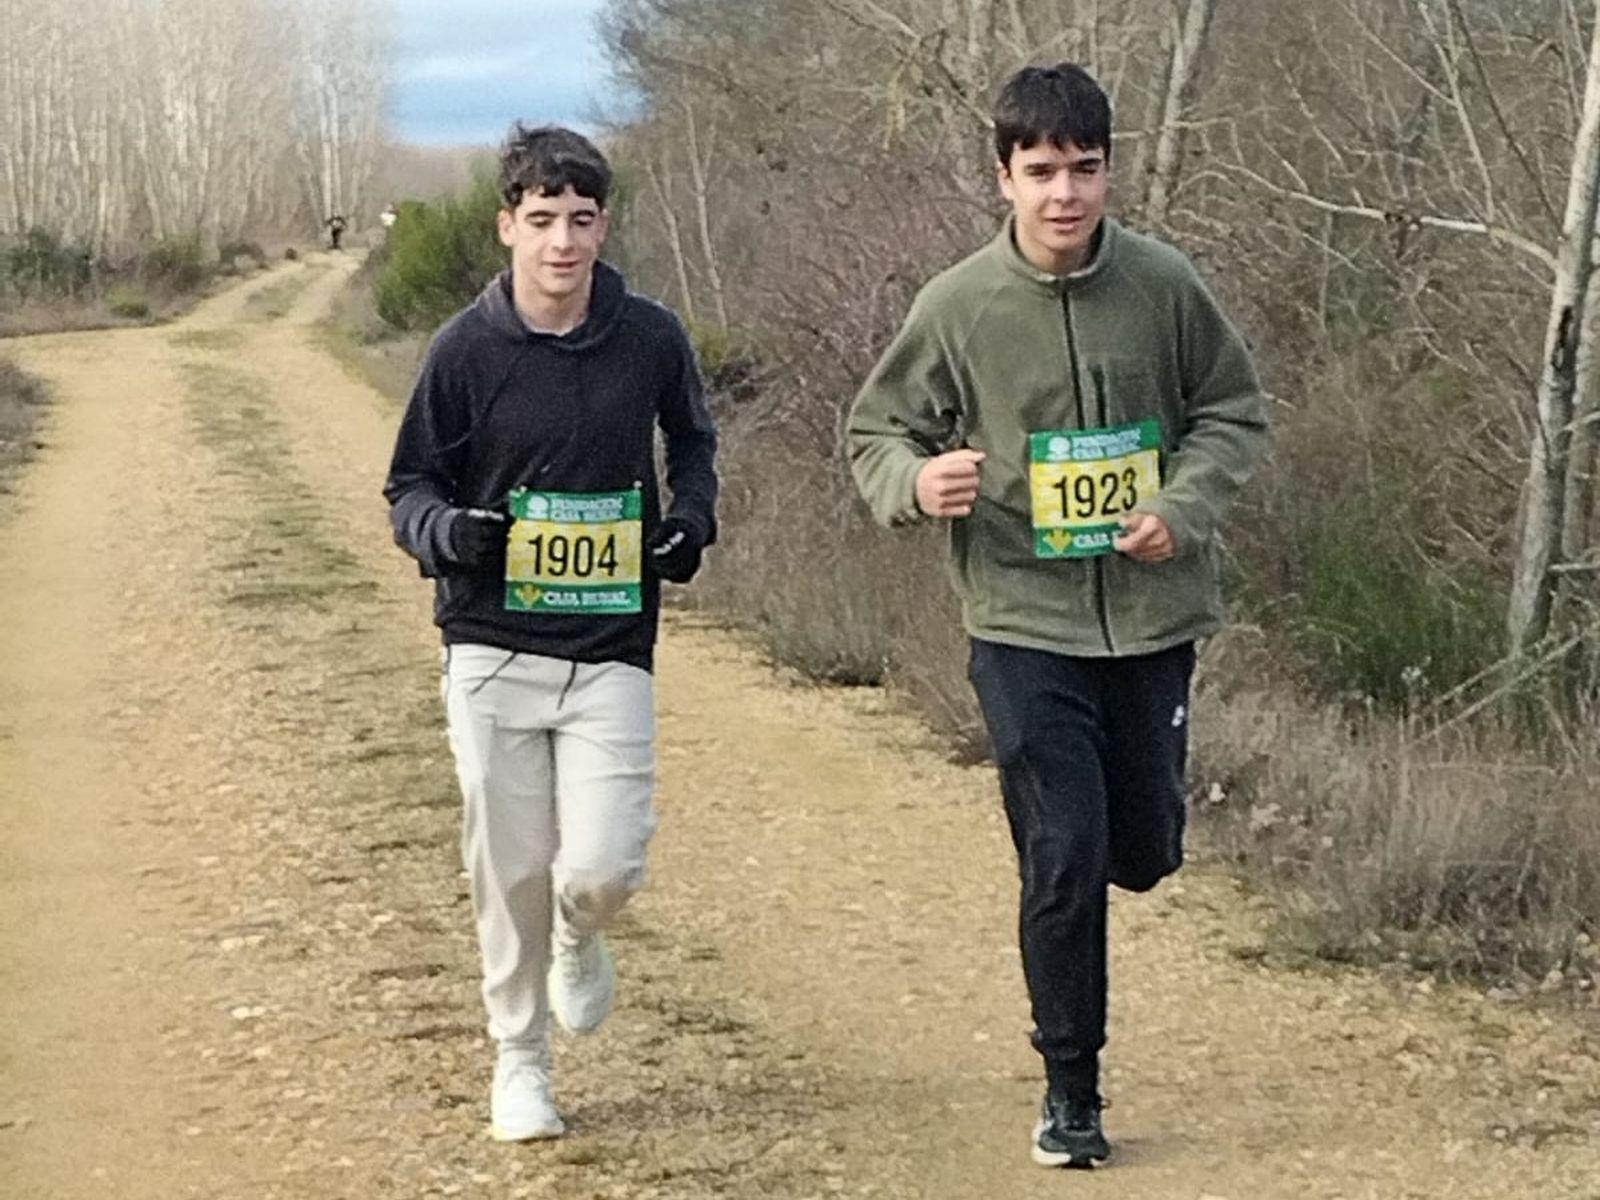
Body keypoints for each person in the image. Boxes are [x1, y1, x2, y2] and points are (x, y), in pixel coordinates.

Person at [847, 63, 1267, 1168]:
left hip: (1151, 619)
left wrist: (1183, 506)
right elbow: (876, 431)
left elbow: (1232, 410)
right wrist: (913, 484)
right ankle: (1069, 1091)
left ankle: (1128, 849)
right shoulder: (959, 305)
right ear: (1003, 178)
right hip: (1021, 621)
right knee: (1065, 853)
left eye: (1083, 169)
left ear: (1108, 170)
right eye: (1040, 172)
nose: (1063, 193)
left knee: (1140, 853)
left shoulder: (1164, 286)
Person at [382, 123, 718, 1142]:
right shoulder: (464, 350)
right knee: (509, 864)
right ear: (506, 227)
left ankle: (581, 933)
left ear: (602, 225)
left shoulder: (650, 336)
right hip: (488, 642)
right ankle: (518, 1062)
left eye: (579, 222)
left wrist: (689, 523)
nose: (561, 244)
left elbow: (694, 442)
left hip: (610, 643)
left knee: (598, 870)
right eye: (541, 222)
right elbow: (410, 486)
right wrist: (446, 534)